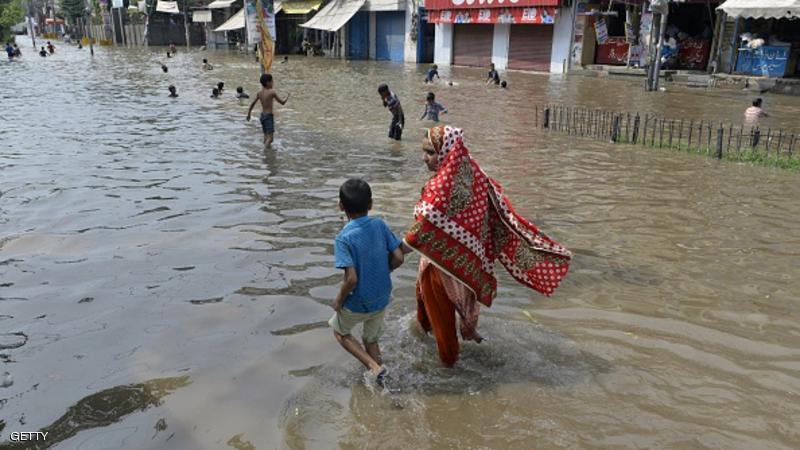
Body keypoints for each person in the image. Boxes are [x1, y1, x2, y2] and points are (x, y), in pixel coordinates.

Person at [402, 126, 572, 367]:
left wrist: (396, 253)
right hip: (462, 260)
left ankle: (448, 373)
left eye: (430, 152)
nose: (424, 158)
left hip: (442, 265)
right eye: (424, 151)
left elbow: (425, 227)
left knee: (441, 325)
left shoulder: (444, 183)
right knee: (429, 315)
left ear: (445, 151)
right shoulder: (471, 171)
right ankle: (442, 352)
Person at [330, 178, 403, 386]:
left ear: (341, 206)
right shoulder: (379, 224)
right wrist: (384, 270)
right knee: (371, 339)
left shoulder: (343, 238)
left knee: (340, 331)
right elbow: (398, 257)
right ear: (370, 204)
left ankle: (374, 367)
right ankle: (383, 379)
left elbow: (351, 279)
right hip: (382, 295)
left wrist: (338, 300)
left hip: (359, 300)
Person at [246, 73, 290, 149]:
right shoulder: (272, 92)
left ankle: (266, 152)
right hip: (269, 116)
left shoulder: (259, 93)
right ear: (268, 83)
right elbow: (282, 103)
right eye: (272, 81)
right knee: (270, 138)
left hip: (262, 116)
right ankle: (266, 153)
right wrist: (287, 96)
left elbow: (252, 103)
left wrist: (249, 114)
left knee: (266, 136)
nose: (273, 83)